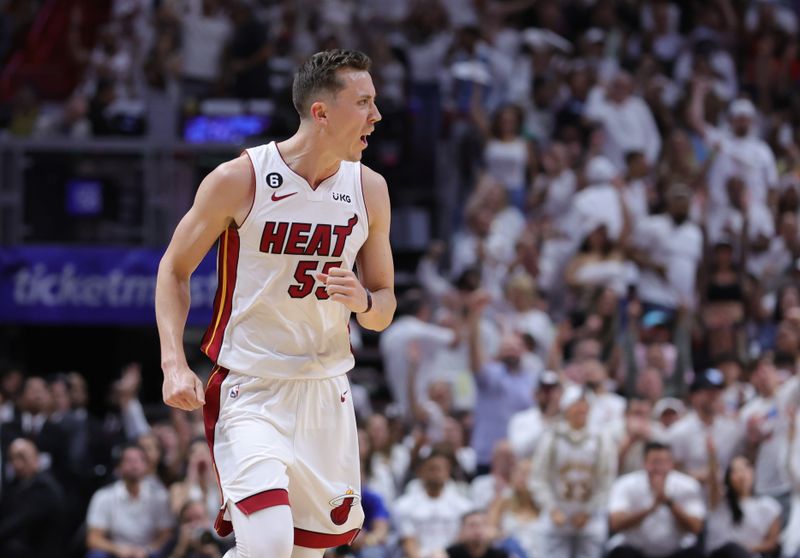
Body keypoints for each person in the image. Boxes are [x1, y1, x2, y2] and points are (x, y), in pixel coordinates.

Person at [155, 49, 395, 558]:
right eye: (365, 103)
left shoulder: (369, 188)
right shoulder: (239, 178)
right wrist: (173, 364)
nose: (376, 116)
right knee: (267, 547)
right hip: (251, 386)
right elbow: (174, 269)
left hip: (325, 391)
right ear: (321, 112)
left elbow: (384, 308)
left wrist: (363, 300)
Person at [607, 441, 705, 558]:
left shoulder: (688, 485)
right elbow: (615, 523)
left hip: (677, 550)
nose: (660, 468)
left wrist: (669, 503)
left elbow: (696, 527)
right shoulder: (625, 484)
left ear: (671, 464)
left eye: (665, 462)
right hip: (635, 550)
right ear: (644, 463)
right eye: (655, 462)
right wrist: (650, 508)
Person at [0, 437, 66, 558]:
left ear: (36, 458)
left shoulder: (44, 487)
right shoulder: (17, 483)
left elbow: (18, 522)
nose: (17, 464)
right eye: (12, 458)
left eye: (22, 457)